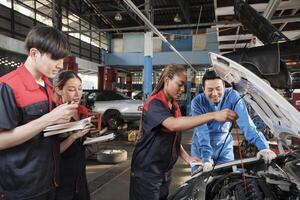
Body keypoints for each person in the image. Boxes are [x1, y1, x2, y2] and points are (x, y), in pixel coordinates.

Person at [129, 64, 238, 200]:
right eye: (179, 84)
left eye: (184, 86)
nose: (182, 90)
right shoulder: (154, 104)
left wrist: (187, 157)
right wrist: (213, 115)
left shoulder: (173, 105)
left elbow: (172, 135)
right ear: (167, 80)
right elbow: (174, 125)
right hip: (147, 173)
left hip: (164, 172)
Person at [0, 26, 78, 200]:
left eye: (62, 59)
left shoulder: (47, 85)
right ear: (34, 53)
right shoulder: (8, 86)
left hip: (48, 180)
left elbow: (42, 131)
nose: (60, 65)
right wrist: (50, 118)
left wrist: (65, 122)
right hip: (21, 188)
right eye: (56, 58)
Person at [191, 70, 276, 173]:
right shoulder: (197, 102)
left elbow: (247, 124)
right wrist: (206, 158)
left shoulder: (233, 96)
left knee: (227, 179)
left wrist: (263, 147)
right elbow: (202, 132)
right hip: (201, 148)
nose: (214, 94)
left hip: (224, 147)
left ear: (224, 87)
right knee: (200, 183)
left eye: (218, 89)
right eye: (210, 90)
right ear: (203, 89)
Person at [54, 71, 91, 200]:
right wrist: (73, 136)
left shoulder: (82, 111)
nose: (77, 94)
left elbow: (82, 141)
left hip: (79, 171)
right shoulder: (53, 115)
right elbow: (54, 151)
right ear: (59, 90)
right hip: (61, 174)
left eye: (80, 89)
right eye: (71, 89)